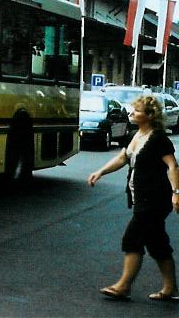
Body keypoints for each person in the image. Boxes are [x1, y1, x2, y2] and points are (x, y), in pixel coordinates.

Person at [88, 94, 179, 302]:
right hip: (141, 198)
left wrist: (176, 193)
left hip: (154, 199)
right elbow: (123, 158)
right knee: (157, 243)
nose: (131, 113)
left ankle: (123, 286)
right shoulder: (136, 135)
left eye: (136, 111)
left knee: (132, 238)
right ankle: (170, 288)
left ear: (149, 115)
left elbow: (172, 166)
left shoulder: (158, 139)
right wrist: (100, 172)